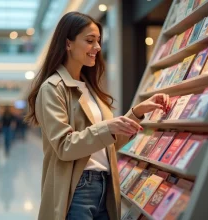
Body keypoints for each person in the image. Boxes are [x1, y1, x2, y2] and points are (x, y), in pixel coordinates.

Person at [25, 12, 171, 220]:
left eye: (99, 41)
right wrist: (108, 127)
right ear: (68, 44)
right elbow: (64, 146)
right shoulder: (53, 88)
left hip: (106, 185)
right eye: (90, 41)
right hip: (77, 188)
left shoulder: (90, 88)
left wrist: (137, 113)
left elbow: (107, 143)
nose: (98, 48)